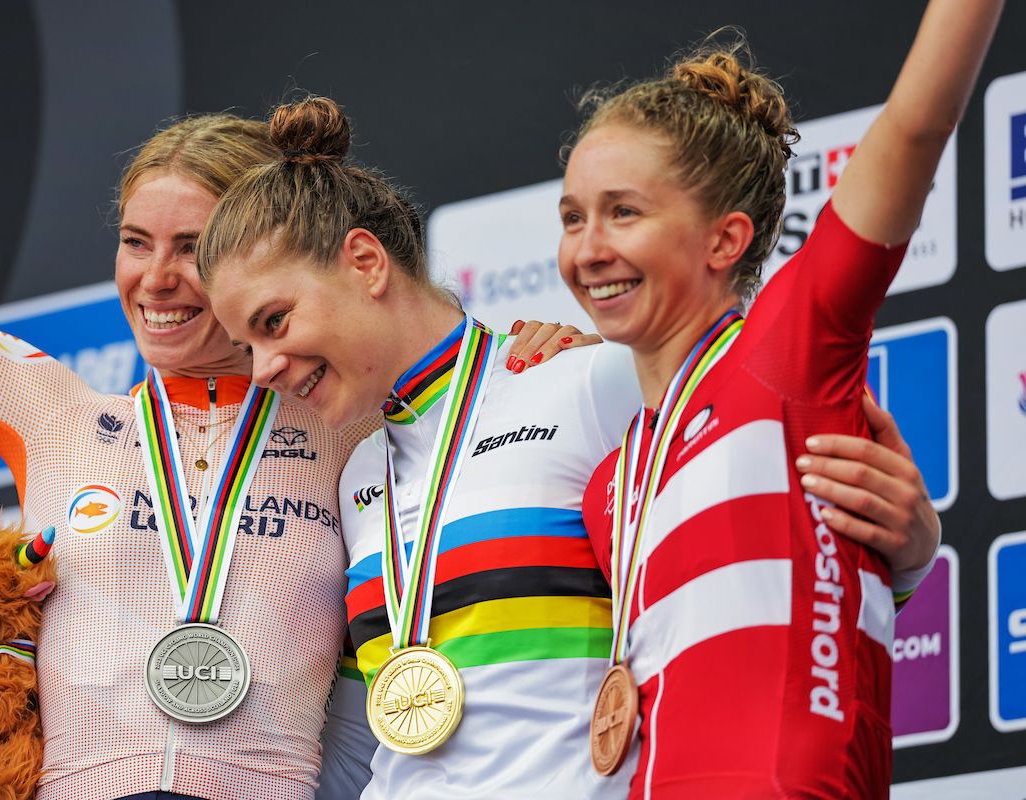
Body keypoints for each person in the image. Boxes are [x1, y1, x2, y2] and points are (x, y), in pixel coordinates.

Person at [0, 110, 596, 800]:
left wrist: (544, 350)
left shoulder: (346, 422)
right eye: (135, 242)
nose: (155, 278)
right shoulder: (52, 414)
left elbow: (458, 380)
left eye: (191, 249)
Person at [195, 92, 943, 798]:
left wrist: (905, 557)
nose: (262, 370)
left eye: (274, 323)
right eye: (243, 345)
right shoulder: (360, 473)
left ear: (365, 263)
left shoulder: (588, 380)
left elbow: (760, 562)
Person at [561, 1, 1000, 795]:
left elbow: (914, 130)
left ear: (725, 241)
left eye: (622, 212)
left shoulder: (787, 351)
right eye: (572, 217)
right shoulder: (608, 488)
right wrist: (900, 567)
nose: (589, 249)